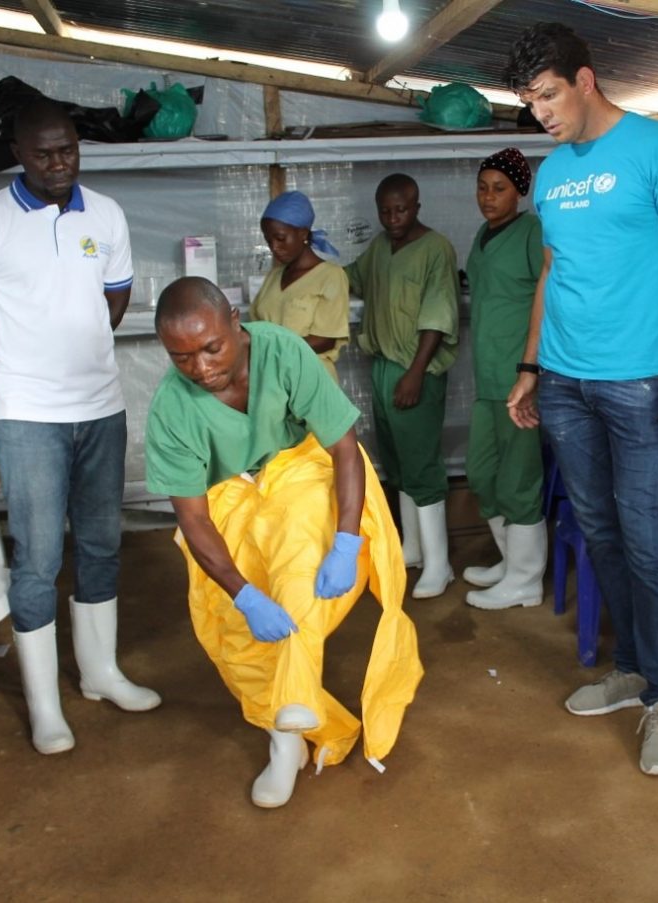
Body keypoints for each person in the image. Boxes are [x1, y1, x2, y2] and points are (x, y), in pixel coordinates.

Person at [505, 23, 658, 776]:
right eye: (529, 101)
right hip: (566, 381)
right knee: (599, 529)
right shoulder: (554, 171)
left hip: (644, 384)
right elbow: (552, 273)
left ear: (586, 80)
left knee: (650, 538)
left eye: (548, 95)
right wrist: (533, 366)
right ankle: (631, 666)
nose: (540, 113)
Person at [145, 277, 422, 809]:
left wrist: (344, 541)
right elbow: (194, 519)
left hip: (300, 465)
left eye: (211, 348)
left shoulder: (282, 351)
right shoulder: (171, 408)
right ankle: (286, 737)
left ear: (234, 320)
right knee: (228, 624)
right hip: (228, 493)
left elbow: (343, 446)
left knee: (297, 553)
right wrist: (243, 595)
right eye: (181, 358)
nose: (201, 368)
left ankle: (290, 711)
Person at [0, 98, 160, 756]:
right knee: (38, 558)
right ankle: (45, 707)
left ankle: (101, 672)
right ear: (18, 154)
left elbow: (115, 296)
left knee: (100, 543)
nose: (60, 162)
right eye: (44, 153)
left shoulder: (107, 213)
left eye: (68, 149)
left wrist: (82, 344)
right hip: (28, 417)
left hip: (99, 404)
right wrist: (9, 376)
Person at [345, 174, 459, 599]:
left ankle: (439, 564)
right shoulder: (380, 247)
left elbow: (438, 315)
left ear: (417, 206)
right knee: (397, 462)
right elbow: (352, 278)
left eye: (401, 210)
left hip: (416, 372)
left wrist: (415, 372)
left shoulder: (435, 250)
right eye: (385, 211)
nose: (393, 219)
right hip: (383, 366)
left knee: (422, 465)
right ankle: (413, 548)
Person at [461, 148, 547, 611]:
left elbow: (549, 297)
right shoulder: (483, 234)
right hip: (486, 376)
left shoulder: (532, 232)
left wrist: (531, 370)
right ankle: (510, 561)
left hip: (519, 378)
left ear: (520, 191)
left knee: (518, 480)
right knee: (481, 473)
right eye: (482, 187)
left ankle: (526, 580)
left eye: (500, 188)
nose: (488, 197)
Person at [250, 190, 350, 383]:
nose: (274, 247)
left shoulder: (331, 276)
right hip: (274, 382)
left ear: (303, 233)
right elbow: (257, 328)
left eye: (280, 238)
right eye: (268, 240)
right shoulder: (274, 276)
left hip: (311, 381)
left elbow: (324, 339)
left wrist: (273, 350)